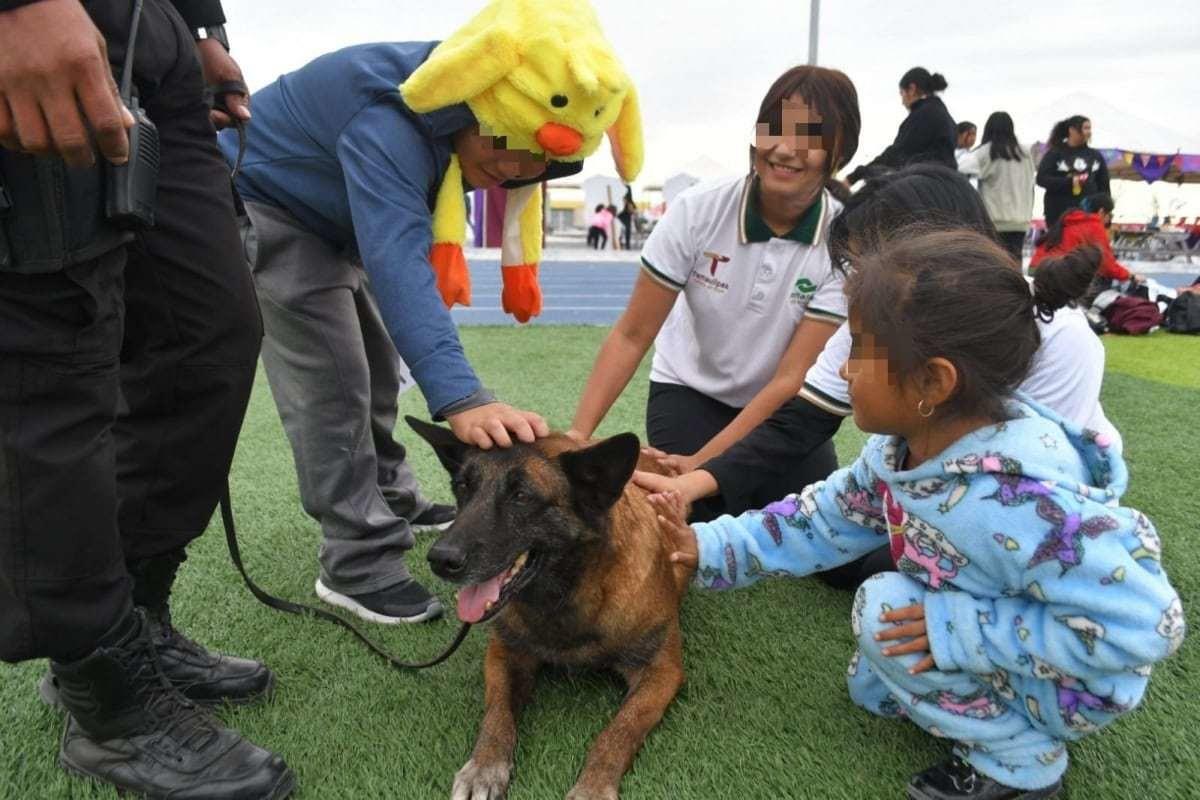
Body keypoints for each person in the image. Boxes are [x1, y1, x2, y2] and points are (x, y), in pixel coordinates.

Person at [651, 228, 1185, 800]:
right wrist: (708, 546)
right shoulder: (905, 450)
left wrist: (960, 632)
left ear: (932, 381)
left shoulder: (1018, 501)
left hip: (1080, 680)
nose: (846, 369)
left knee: (886, 611)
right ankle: (960, 689)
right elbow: (823, 519)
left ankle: (1022, 764)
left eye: (860, 349)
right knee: (880, 650)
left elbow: (1146, 625)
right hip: (1016, 635)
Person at [220, 0, 642, 625]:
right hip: (271, 207)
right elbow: (396, 259)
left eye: (536, 160)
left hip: (339, 223)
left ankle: (392, 496)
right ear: (477, 104)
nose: (514, 171)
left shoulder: (476, 125)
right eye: (506, 147)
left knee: (376, 370)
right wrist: (461, 396)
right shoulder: (391, 119)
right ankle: (356, 561)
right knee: (333, 387)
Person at [0, 0, 295, 797]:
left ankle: (141, 617)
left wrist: (198, 27)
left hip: (149, 32)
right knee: (51, 357)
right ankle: (106, 691)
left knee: (207, 333)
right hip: (44, 24)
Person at [636, 166, 1119, 585]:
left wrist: (962, 627)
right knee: (861, 568)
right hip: (939, 492)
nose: (847, 364)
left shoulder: (1060, 344)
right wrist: (696, 485)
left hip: (1030, 514)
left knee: (906, 570)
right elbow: (802, 435)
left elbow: (1035, 516)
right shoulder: (880, 317)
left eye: (870, 264)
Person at [568, 65, 862, 522]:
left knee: (808, 518)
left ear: (839, 151)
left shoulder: (843, 240)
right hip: (689, 388)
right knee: (695, 512)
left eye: (809, 138)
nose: (785, 150)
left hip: (778, 407)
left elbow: (789, 380)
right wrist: (577, 438)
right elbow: (633, 333)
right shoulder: (698, 210)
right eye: (775, 129)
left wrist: (702, 465)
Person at [845, 67, 955, 185]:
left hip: (929, 182)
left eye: (902, 94)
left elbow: (895, 155)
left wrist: (855, 177)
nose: (902, 102)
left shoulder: (923, 115)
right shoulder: (943, 114)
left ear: (912, 89)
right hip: (950, 180)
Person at [1031, 193, 1142, 302]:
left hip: (1036, 270)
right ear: (1102, 212)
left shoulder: (1071, 220)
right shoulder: (1094, 225)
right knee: (1098, 285)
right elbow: (1107, 266)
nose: (1109, 220)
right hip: (1053, 275)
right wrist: (1130, 276)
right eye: (1110, 215)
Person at [958, 111, 1035, 260]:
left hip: (994, 221)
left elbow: (959, 168)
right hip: (1021, 221)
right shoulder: (1025, 153)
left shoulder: (986, 152)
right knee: (1014, 265)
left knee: (995, 265)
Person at [1036, 115, 1110, 226]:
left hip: (1088, 216)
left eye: (1089, 128)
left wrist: (1107, 210)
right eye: (1085, 128)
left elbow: (1104, 185)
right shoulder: (1055, 153)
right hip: (1059, 215)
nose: (1088, 132)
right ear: (1072, 130)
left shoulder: (1095, 156)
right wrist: (1069, 182)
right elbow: (1041, 179)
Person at [618, 184, 638, 250]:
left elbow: (634, 210)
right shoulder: (620, 199)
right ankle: (621, 244)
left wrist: (632, 209)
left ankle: (626, 244)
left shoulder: (629, 201)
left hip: (626, 215)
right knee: (621, 230)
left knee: (627, 230)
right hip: (621, 214)